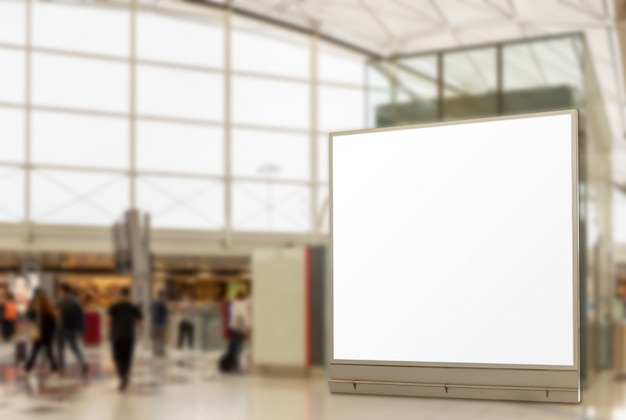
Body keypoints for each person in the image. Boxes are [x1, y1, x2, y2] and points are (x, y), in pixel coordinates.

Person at [107, 287, 142, 392]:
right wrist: (131, 323)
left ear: (120, 295)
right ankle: (126, 375)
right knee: (127, 358)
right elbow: (140, 322)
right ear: (129, 295)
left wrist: (113, 327)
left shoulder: (114, 306)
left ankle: (123, 376)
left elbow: (108, 321)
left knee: (117, 358)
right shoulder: (133, 307)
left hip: (117, 335)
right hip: (129, 336)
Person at [24, 291, 60, 376]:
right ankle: (55, 369)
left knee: (35, 352)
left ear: (41, 303)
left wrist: (37, 329)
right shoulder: (50, 312)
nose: (37, 304)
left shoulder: (44, 314)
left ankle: (27, 369)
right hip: (48, 337)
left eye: (38, 303)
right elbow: (53, 326)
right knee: (48, 353)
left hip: (42, 336)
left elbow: (43, 326)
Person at [56, 283, 88, 376]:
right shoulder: (76, 300)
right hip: (73, 328)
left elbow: (57, 315)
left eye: (59, 290)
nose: (59, 292)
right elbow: (81, 311)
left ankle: (61, 367)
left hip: (62, 327)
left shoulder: (61, 301)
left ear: (62, 290)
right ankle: (82, 362)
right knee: (74, 346)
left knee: (60, 348)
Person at [221, 290, 251, 373]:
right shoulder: (242, 304)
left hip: (233, 327)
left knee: (232, 346)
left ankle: (229, 364)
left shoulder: (234, 304)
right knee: (238, 347)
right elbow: (244, 317)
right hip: (239, 328)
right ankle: (234, 364)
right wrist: (247, 328)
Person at [150, 290, 168, 357]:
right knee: (161, 337)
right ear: (163, 295)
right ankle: (160, 351)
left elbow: (150, 309)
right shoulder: (162, 303)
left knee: (155, 337)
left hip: (154, 322)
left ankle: (155, 350)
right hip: (160, 322)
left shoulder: (153, 302)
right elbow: (165, 312)